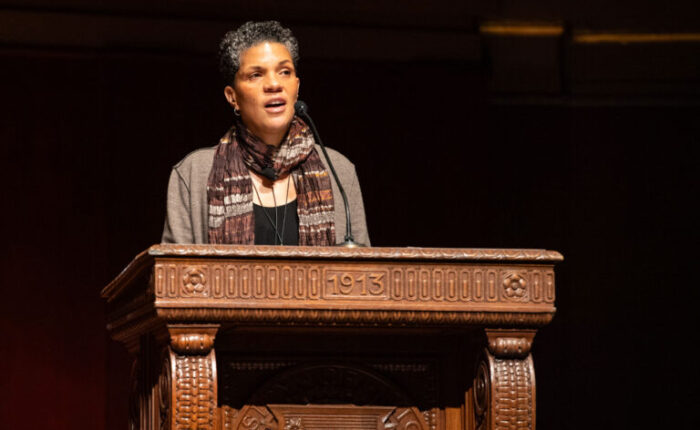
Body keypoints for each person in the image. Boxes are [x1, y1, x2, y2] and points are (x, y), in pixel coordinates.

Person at [161, 21, 370, 246]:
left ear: (296, 87)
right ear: (232, 96)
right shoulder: (194, 174)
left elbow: (364, 273)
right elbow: (173, 274)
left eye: (284, 72)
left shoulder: (339, 171)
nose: (274, 84)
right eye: (256, 75)